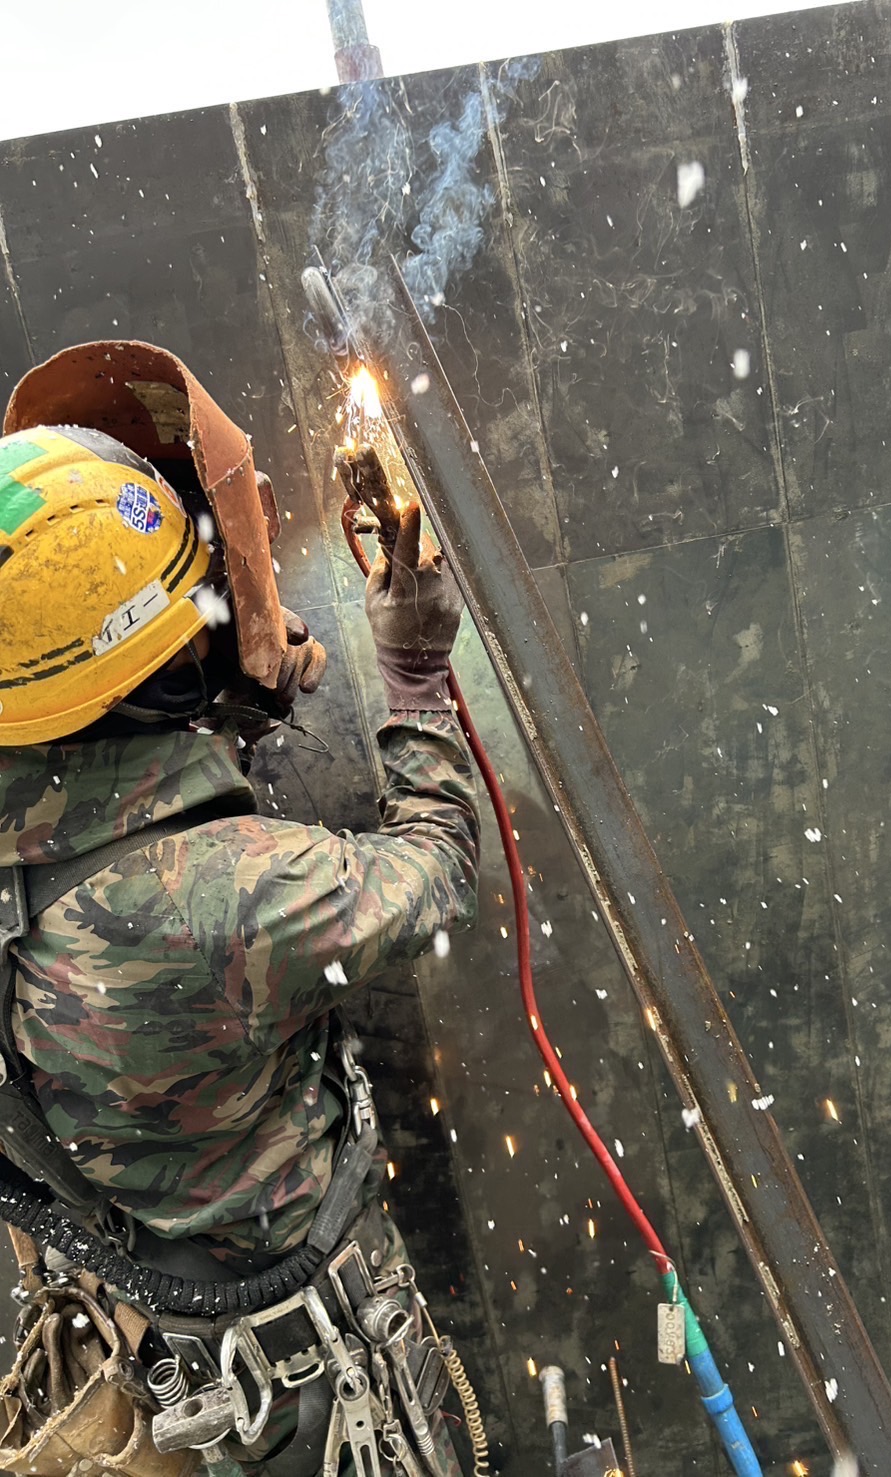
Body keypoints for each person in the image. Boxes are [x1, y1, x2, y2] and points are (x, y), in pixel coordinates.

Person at [0, 340, 480, 1475]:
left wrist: (220, 713)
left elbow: (102, 801)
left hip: (155, 1333)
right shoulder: (232, 898)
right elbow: (435, 869)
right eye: (195, 615)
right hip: (312, 1392)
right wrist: (414, 679)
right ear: (150, 675)